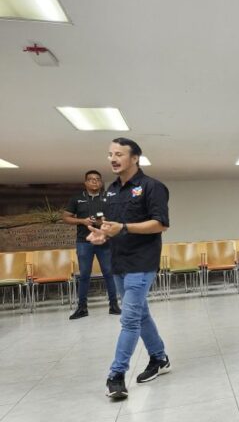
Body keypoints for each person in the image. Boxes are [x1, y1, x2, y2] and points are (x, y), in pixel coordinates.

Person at [85, 137, 171, 400]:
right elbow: (111, 226)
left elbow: (160, 224)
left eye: (119, 154)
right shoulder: (111, 191)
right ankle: (159, 358)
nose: (113, 158)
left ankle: (116, 375)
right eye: (110, 154)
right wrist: (102, 235)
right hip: (118, 262)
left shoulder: (152, 187)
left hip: (142, 263)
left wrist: (123, 228)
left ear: (135, 158)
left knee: (130, 319)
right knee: (141, 315)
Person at [62, 170, 121, 319]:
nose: (94, 181)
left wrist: (104, 222)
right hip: (84, 242)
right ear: (85, 182)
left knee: (109, 273)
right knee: (84, 275)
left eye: (97, 179)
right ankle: (82, 308)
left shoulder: (108, 198)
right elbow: (66, 218)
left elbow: (117, 217)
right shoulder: (76, 199)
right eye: (91, 179)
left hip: (104, 241)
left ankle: (114, 305)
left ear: (101, 182)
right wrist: (82, 221)